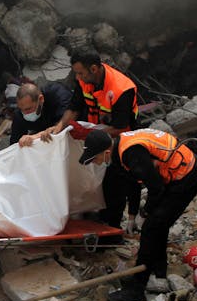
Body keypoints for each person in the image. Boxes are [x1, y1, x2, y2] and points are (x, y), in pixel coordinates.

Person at [79, 129, 197, 301]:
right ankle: (159, 271)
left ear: (106, 152)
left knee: (151, 229)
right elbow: (134, 183)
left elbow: (156, 188)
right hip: (176, 174)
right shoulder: (122, 149)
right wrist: (132, 215)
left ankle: (136, 289)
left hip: (186, 177)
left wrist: (144, 214)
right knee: (158, 225)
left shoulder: (131, 152)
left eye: (96, 159)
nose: (97, 163)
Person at [51, 53, 141, 234]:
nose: (78, 78)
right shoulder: (85, 80)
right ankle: (92, 218)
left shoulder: (122, 88)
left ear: (94, 69)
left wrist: (89, 133)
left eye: (81, 73)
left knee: (114, 184)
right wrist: (59, 128)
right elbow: (74, 107)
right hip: (96, 135)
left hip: (119, 141)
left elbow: (120, 127)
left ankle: (112, 228)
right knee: (91, 176)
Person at [10, 82, 72, 146]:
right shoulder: (19, 114)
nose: (25, 114)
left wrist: (35, 136)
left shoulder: (58, 94)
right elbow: (14, 143)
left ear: (41, 99)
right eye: (21, 109)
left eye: (28, 109)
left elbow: (66, 123)